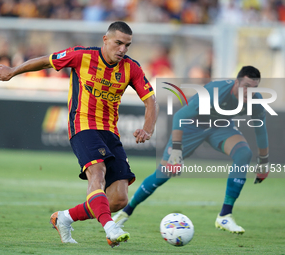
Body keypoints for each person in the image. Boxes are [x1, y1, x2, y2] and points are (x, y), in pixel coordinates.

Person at [0, 21, 158, 247]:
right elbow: (45, 61)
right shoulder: (81, 56)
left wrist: (148, 128)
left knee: (119, 198)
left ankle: (65, 217)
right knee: (97, 173)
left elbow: (151, 101)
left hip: (110, 132)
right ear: (105, 40)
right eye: (118, 43)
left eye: (127, 45)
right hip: (82, 125)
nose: (122, 49)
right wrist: (13, 71)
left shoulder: (131, 68)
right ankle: (110, 227)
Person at [113, 66, 270, 234]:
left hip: (219, 126)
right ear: (236, 83)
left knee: (244, 153)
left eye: (254, 88)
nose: (250, 92)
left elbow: (260, 129)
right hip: (191, 126)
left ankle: (225, 215)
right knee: (163, 174)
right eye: (246, 86)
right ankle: (125, 212)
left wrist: (264, 161)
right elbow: (180, 116)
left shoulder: (256, 101)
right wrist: (176, 151)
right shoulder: (215, 92)